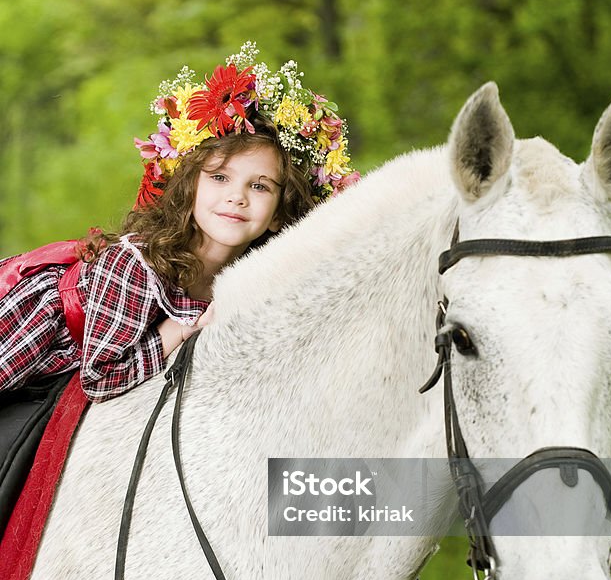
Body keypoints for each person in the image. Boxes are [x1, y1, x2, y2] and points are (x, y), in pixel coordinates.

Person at [0, 41, 360, 404]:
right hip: (32, 329)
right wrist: (185, 325)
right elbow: (101, 378)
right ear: (189, 190)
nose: (238, 196)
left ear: (278, 215)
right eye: (220, 178)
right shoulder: (137, 263)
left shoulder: (253, 276)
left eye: (259, 186)